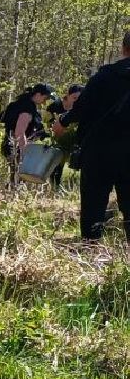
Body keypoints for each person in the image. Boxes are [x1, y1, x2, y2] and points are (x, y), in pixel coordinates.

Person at [56, 30, 130, 241]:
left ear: (123, 48)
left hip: (99, 153)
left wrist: (63, 121)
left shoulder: (103, 76)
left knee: (93, 206)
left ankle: (91, 254)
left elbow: (81, 108)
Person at [1, 82, 54, 176]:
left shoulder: (22, 103)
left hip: (11, 146)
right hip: (16, 148)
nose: (45, 101)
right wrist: (24, 155)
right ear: (38, 94)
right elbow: (19, 133)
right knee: (19, 179)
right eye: (45, 97)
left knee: (17, 178)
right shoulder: (27, 107)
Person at [47, 84, 82, 190]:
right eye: (74, 98)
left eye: (79, 98)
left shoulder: (82, 108)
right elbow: (47, 124)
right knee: (57, 162)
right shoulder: (55, 106)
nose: (77, 101)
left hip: (74, 139)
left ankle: (74, 186)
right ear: (68, 95)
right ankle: (55, 186)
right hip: (57, 139)